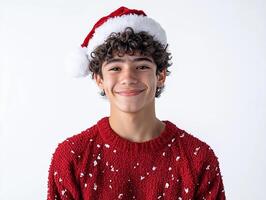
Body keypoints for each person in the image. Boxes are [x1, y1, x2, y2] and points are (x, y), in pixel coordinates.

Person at [47, 6, 226, 200]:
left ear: (160, 75)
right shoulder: (71, 157)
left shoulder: (197, 158)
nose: (128, 77)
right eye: (115, 67)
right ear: (99, 79)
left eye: (141, 66)